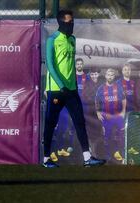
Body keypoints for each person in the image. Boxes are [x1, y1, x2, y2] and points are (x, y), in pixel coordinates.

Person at [43, 9, 106, 168]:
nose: (71, 25)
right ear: (60, 22)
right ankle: (45, 159)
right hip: (57, 90)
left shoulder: (72, 39)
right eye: (68, 22)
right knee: (51, 123)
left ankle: (87, 158)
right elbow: (50, 66)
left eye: (72, 22)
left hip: (71, 91)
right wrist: (61, 85)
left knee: (79, 122)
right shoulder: (52, 40)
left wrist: (70, 86)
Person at [95, 68, 126, 164]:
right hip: (106, 116)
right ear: (105, 76)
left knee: (121, 135)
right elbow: (96, 100)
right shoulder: (101, 88)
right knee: (106, 136)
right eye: (108, 74)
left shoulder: (119, 87)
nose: (110, 76)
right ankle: (107, 155)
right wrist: (98, 112)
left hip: (117, 116)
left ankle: (119, 153)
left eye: (112, 75)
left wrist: (123, 112)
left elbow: (124, 99)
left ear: (114, 76)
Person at [83, 67, 103, 158]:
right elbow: (86, 98)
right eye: (92, 74)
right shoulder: (86, 85)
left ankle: (98, 153)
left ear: (98, 74)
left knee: (99, 134)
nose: (94, 76)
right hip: (90, 113)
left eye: (95, 74)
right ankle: (90, 153)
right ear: (90, 75)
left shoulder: (101, 84)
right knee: (90, 135)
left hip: (99, 113)